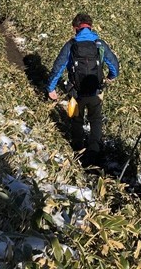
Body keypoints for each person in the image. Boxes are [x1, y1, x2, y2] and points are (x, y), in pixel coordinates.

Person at [47, 13, 119, 167]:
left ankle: (78, 148)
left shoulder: (71, 45)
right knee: (96, 119)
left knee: (76, 119)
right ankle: (94, 151)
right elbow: (114, 64)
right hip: (96, 92)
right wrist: (111, 76)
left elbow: (58, 67)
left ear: (75, 27)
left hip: (75, 92)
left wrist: (51, 88)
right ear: (91, 26)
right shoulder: (100, 44)